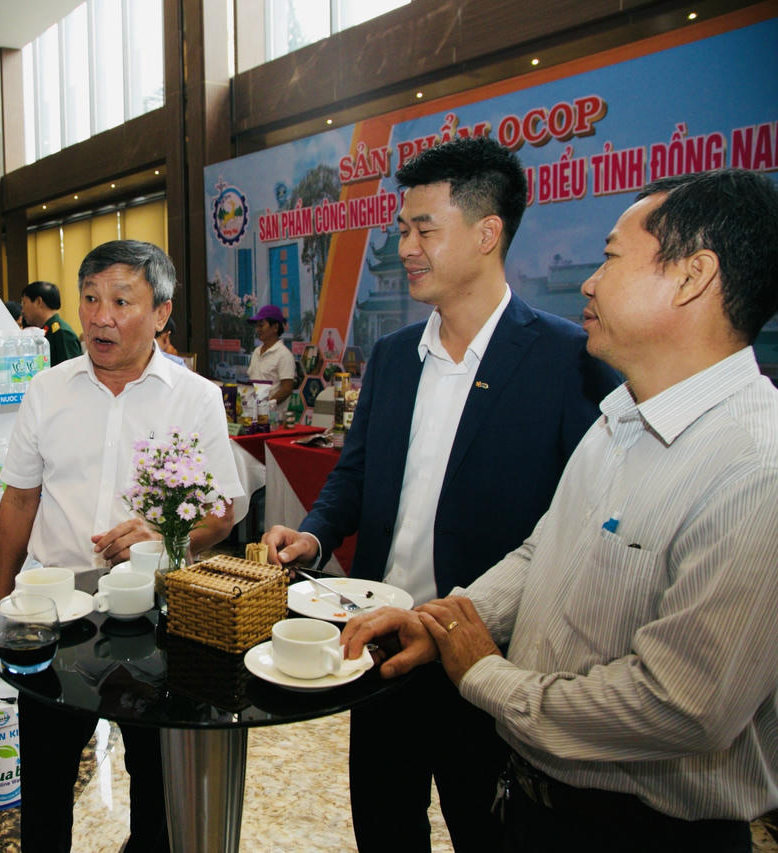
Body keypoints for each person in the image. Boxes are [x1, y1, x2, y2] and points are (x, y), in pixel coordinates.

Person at [343, 168, 778, 853]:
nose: (589, 282)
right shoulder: (620, 420)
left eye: (611, 258)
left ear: (692, 276)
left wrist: (485, 675)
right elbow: (542, 551)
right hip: (538, 804)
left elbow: (681, 704)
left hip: (644, 832)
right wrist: (443, 622)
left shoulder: (754, 467)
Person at [261, 136, 619, 853]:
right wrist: (315, 534)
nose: (406, 248)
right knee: (385, 829)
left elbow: (582, 524)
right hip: (381, 650)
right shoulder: (395, 357)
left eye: (424, 229)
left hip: (488, 662)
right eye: (402, 230)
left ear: (487, 233)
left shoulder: (567, 362)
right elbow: (355, 475)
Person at [0, 240, 244, 852]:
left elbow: (223, 512)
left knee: (155, 788)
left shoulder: (195, 397)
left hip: (155, 619)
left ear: (161, 312)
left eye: (121, 302)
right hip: (54, 615)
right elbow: (19, 501)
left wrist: (165, 534)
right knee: (45, 784)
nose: (100, 318)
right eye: (90, 299)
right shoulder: (46, 390)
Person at [21, 279, 82, 365]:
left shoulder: (62, 333)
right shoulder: (47, 330)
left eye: (24, 303)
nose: (22, 311)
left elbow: (70, 369)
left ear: (38, 302)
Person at [246, 304, 295, 403]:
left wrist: (267, 406)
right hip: (253, 410)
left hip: (274, 412)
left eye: (261, 325)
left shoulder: (284, 355)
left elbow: (287, 389)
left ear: (275, 327)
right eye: (256, 326)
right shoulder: (256, 352)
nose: (257, 329)